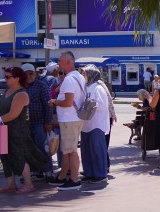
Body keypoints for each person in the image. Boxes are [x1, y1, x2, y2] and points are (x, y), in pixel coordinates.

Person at [0, 67, 48, 193]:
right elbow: (0, 106)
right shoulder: (8, 90)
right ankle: (10, 184)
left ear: (17, 78)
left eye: (8, 77)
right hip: (3, 128)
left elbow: (13, 114)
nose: (5, 79)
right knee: (4, 156)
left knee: (19, 156)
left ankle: (28, 184)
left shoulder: (21, 94)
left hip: (17, 130)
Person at [48, 51, 86, 190]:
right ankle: (63, 176)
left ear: (69, 62)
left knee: (71, 151)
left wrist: (55, 102)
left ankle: (74, 179)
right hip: (74, 118)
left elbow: (68, 102)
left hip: (69, 119)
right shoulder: (79, 77)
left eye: (60, 61)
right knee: (67, 150)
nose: (58, 63)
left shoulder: (69, 79)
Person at [22, 63, 54, 179]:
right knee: (29, 150)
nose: (29, 76)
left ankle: (48, 171)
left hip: (39, 123)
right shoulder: (20, 87)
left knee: (43, 148)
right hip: (25, 125)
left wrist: (48, 122)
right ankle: (36, 172)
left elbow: (48, 105)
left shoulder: (41, 86)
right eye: (26, 74)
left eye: (31, 73)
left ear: (35, 74)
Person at [79, 66, 110, 183]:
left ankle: (101, 174)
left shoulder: (98, 88)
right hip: (86, 124)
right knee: (86, 150)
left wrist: (89, 105)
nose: (83, 76)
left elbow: (102, 105)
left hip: (97, 124)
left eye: (85, 74)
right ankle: (89, 173)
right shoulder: (84, 87)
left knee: (97, 150)